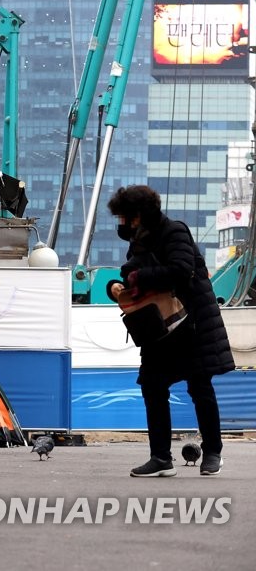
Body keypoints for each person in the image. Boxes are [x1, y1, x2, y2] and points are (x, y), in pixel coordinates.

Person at [106, 185, 234, 477]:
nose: (121, 223)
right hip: (159, 328)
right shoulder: (139, 241)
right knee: (152, 387)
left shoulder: (174, 231)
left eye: (124, 216)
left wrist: (139, 275)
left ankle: (213, 453)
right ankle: (161, 458)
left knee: (200, 388)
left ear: (138, 215)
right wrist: (115, 286)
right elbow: (131, 272)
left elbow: (180, 269)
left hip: (191, 323)